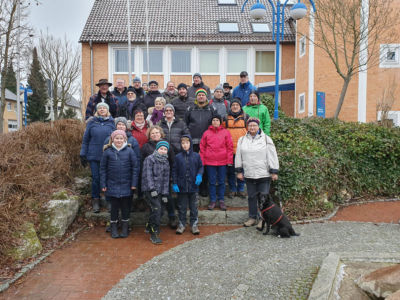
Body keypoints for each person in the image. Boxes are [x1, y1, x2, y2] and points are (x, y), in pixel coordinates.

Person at [235, 117, 279, 227]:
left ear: (258, 126)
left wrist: (274, 171)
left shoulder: (266, 139)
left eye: (254, 125)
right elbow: (238, 156)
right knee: (251, 197)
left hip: (263, 174)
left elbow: (272, 155)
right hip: (249, 174)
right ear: (247, 127)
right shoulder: (242, 140)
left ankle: (262, 219)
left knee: (263, 198)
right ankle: (252, 217)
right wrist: (239, 170)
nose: (252, 127)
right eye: (250, 125)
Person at [100, 130, 139, 238]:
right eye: (116, 138)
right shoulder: (107, 152)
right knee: (114, 207)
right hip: (112, 184)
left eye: (121, 138)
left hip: (127, 184)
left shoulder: (130, 151)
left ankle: (125, 227)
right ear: (112, 139)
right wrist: (103, 184)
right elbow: (102, 169)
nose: (119, 140)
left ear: (125, 139)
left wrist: (133, 184)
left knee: (126, 207)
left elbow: (135, 168)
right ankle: (114, 226)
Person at [80, 102, 115, 213]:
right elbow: (86, 139)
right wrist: (83, 153)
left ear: (107, 110)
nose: (102, 109)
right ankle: (96, 200)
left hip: (108, 154)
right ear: (97, 110)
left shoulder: (112, 122)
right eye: (100, 108)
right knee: (96, 178)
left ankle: (109, 199)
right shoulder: (92, 122)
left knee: (109, 178)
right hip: (93, 155)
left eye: (104, 107)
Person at [141, 125, 177, 228]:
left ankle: (172, 217)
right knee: (155, 204)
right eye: (152, 133)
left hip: (164, 179)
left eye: (157, 132)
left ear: (161, 133)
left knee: (168, 198)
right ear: (149, 135)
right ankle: (152, 224)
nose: (155, 134)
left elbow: (172, 162)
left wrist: (171, 177)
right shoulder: (146, 147)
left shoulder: (167, 145)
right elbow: (142, 163)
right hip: (151, 180)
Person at [185, 88, 216, 196]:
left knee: (206, 165)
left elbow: (214, 124)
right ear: (196, 97)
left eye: (203, 95)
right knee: (193, 164)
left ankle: (204, 187)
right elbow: (186, 123)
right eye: (199, 95)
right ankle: (194, 186)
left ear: (206, 96)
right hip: (193, 142)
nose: (201, 96)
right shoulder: (190, 109)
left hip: (207, 142)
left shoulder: (211, 108)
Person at [200, 115, 233, 210]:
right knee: (212, 182)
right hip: (210, 162)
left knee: (222, 182)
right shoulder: (206, 133)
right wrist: (203, 160)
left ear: (220, 122)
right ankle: (213, 200)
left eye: (217, 120)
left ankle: (221, 200)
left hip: (222, 162)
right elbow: (202, 147)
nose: (215, 122)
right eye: (213, 120)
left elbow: (230, 147)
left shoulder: (226, 132)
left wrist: (229, 160)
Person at [172, 135, 203, 235]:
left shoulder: (196, 156)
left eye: (187, 143)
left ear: (190, 144)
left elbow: (201, 167)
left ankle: (194, 224)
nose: (185, 145)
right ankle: (181, 224)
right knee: (182, 207)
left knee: (194, 207)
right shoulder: (177, 157)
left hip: (193, 186)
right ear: (181, 145)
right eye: (183, 143)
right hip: (182, 187)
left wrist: (199, 175)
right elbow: (174, 171)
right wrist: (175, 183)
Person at [142, 141, 171, 244]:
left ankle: (149, 225)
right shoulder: (150, 159)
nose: (163, 151)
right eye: (161, 149)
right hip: (149, 189)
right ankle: (154, 233)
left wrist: (164, 194)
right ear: (157, 149)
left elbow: (165, 179)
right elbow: (148, 175)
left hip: (160, 190)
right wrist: (152, 189)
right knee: (157, 209)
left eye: (165, 149)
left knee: (161, 209)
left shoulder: (166, 162)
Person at [224, 98, 249, 198]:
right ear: (230, 107)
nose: (235, 107)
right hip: (229, 149)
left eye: (237, 105)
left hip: (242, 149)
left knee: (242, 170)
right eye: (233, 105)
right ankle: (232, 189)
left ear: (240, 107)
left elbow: (250, 131)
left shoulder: (246, 117)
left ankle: (241, 189)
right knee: (230, 171)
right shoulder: (225, 118)